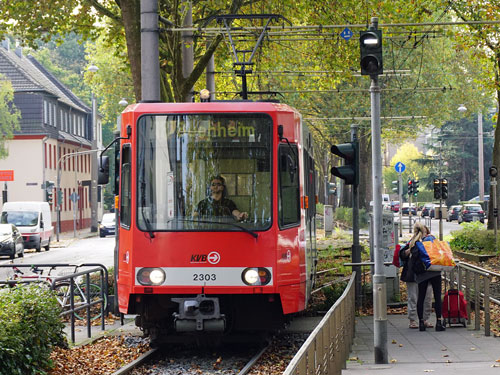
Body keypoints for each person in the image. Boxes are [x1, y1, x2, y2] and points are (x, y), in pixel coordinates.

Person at [408, 222, 445, 332]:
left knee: (421, 298)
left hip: (422, 273)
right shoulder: (432, 239)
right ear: (426, 230)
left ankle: (421, 323)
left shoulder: (414, 242)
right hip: (435, 271)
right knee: (437, 297)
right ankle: (438, 322)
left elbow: (412, 258)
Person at [399, 240, 433, 329]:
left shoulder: (429, 243)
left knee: (427, 298)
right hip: (413, 275)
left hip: (426, 275)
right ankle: (413, 320)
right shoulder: (411, 243)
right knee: (413, 298)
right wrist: (411, 248)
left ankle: (424, 319)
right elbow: (403, 255)